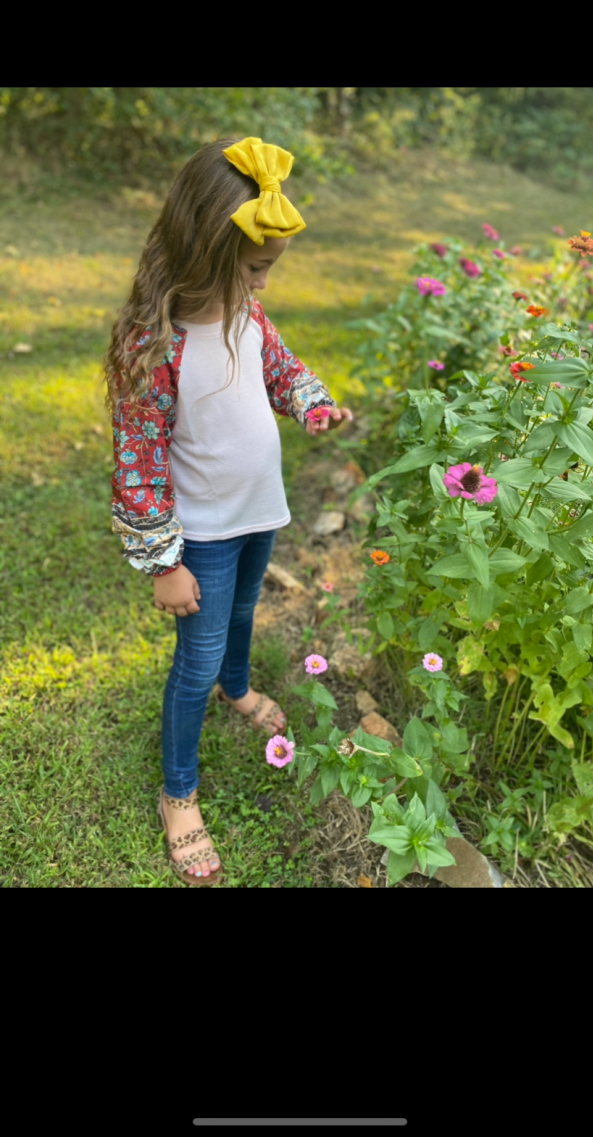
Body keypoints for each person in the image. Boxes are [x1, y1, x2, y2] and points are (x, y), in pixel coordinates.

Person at [104, 137, 353, 886]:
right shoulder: (156, 345)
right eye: (253, 267)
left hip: (258, 512)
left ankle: (238, 687)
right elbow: (138, 463)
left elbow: (281, 369)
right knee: (195, 658)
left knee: (245, 611)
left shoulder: (246, 312)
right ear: (202, 249)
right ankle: (178, 794)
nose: (263, 283)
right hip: (203, 532)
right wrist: (164, 561)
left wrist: (309, 403)